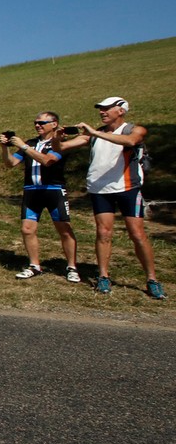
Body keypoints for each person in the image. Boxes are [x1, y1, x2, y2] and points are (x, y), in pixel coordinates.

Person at [55, 97, 165, 299]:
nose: (102, 112)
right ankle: (103, 276)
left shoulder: (133, 129)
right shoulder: (95, 134)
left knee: (137, 234)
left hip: (128, 188)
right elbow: (60, 149)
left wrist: (94, 132)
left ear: (121, 111)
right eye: (101, 109)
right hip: (100, 190)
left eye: (107, 109)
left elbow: (132, 141)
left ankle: (152, 279)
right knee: (103, 233)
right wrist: (57, 138)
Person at [0, 113, 79, 283]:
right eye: (35, 123)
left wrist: (24, 147)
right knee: (27, 229)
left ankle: (72, 267)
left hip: (54, 190)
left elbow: (48, 161)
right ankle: (34, 265)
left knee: (64, 229)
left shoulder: (59, 143)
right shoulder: (31, 143)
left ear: (54, 124)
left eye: (42, 123)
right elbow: (11, 163)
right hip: (31, 190)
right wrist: (5, 147)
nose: (38, 125)